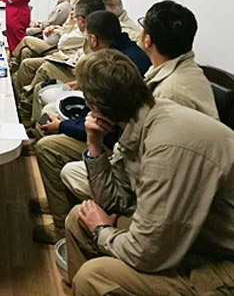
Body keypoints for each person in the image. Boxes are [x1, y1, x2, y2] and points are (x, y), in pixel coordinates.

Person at [65, 49, 234, 294]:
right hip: (198, 238)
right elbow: (114, 201)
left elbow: (145, 253)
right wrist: (95, 145)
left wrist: (102, 231)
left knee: (93, 277)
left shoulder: (165, 145)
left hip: (223, 261)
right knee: (78, 219)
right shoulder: (144, 118)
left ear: (95, 108)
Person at [60, 0, 218, 210]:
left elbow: (158, 166)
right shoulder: (180, 73)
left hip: (159, 192)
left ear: (147, 39)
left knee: (68, 172)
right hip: (142, 168)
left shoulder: (170, 93)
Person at [31, 10, 151, 244]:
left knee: (47, 147)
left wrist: (65, 127)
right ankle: (60, 205)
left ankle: (61, 227)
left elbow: (116, 196)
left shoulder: (116, 68)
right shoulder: (125, 60)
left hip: (114, 152)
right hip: (117, 153)